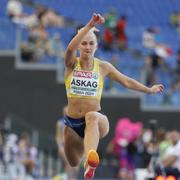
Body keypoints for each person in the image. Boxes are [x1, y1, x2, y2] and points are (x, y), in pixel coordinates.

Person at [63, 13, 164, 179]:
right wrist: (89, 26)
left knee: (92, 116)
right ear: (79, 47)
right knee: (73, 162)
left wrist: (149, 90)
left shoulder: (103, 67)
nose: (88, 47)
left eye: (91, 43)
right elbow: (69, 49)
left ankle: (90, 162)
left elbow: (127, 82)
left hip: (97, 120)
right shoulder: (71, 64)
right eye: (84, 43)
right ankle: (85, 161)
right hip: (72, 123)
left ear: (96, 46)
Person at [55, 105, 79, 179]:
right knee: (69, 161)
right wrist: (60, 147)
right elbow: (58, 137)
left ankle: (73, 178)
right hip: (63, 146)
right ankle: (70, 178)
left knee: (75, 163)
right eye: (65, 112)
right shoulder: (59, 123)